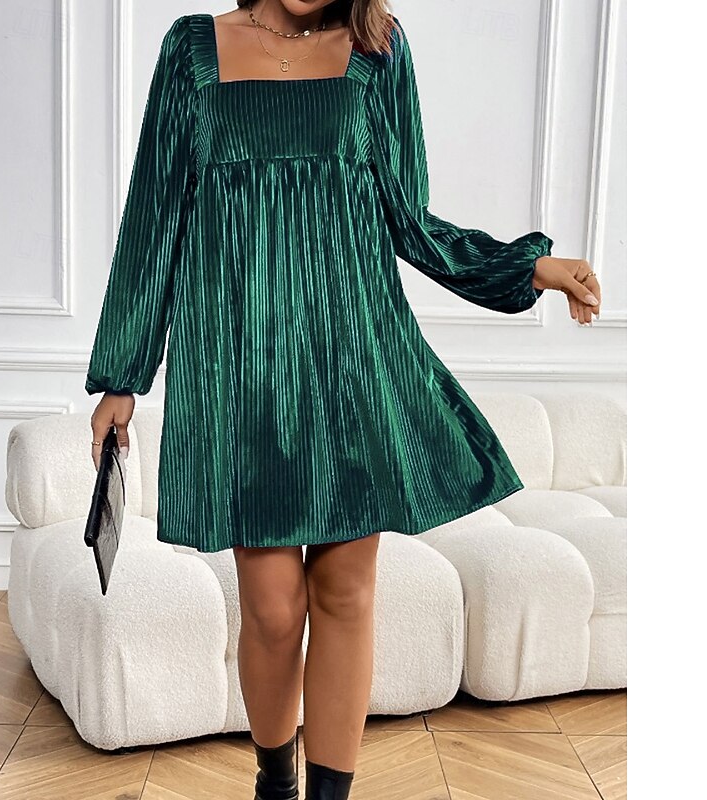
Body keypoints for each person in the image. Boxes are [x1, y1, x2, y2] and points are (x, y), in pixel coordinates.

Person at [86, 2, 602, 798]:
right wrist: (122, 375)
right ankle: (276, 781)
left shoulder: (378, 48)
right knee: (271, 609)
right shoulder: (191, 50)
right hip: (238, 369)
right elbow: (154, 217)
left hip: (352, 359)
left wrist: (526, 267)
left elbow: (407, 217)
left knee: (347, 591)